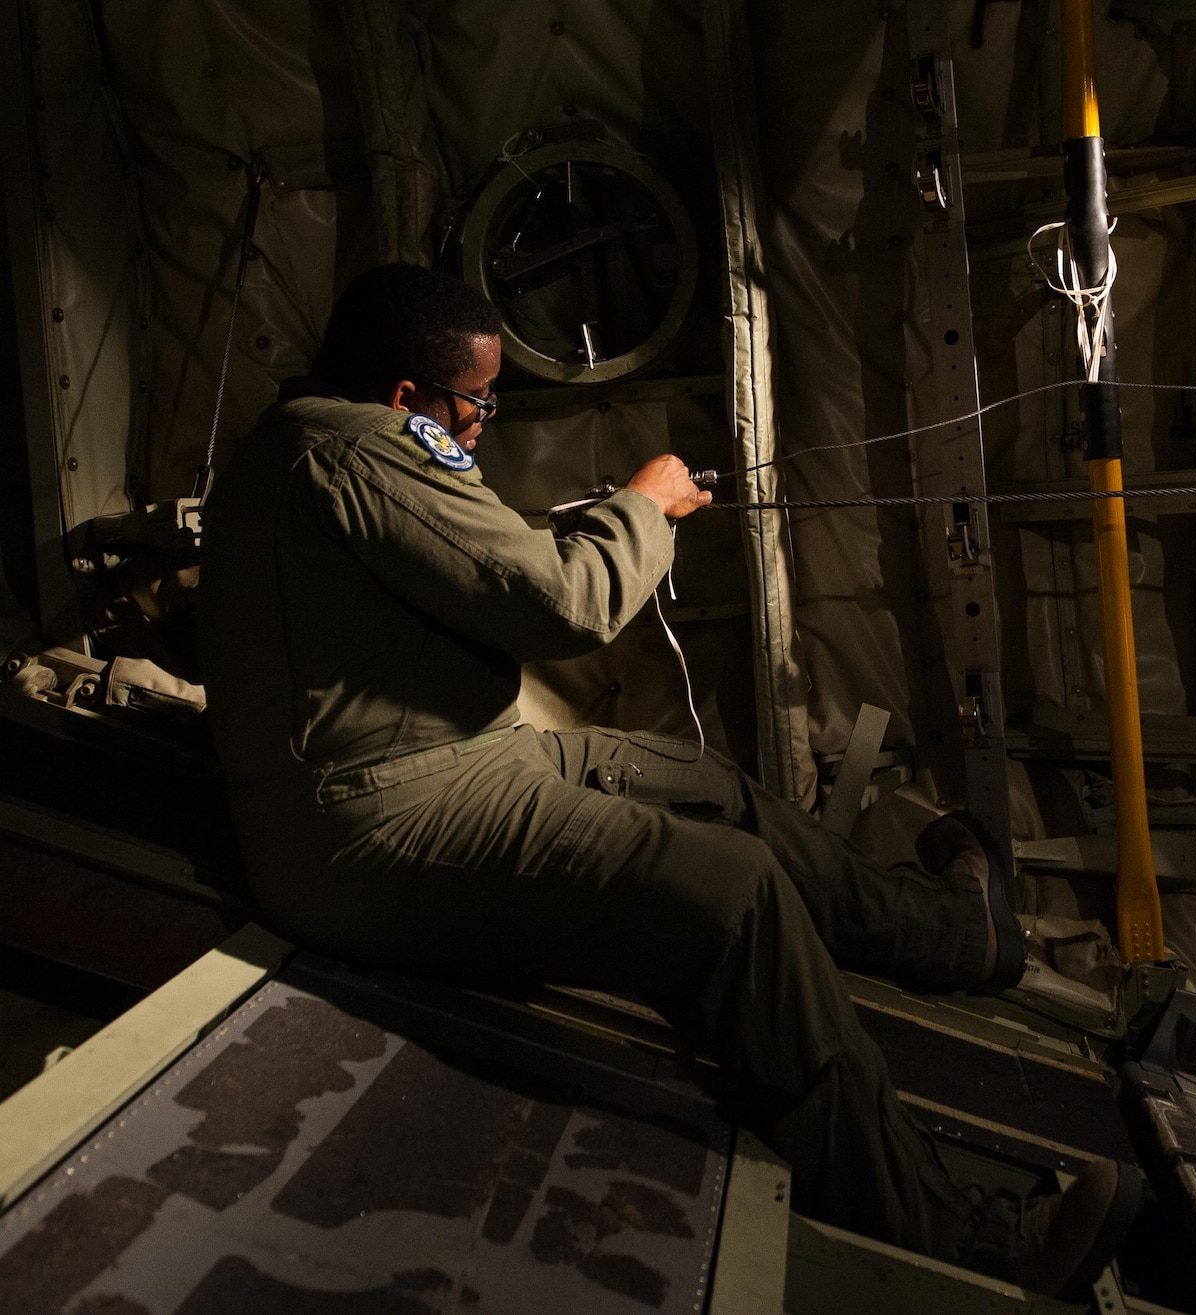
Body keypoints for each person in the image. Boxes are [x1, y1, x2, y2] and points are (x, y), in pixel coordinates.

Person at [197, 262, 1139, 1296]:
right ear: (408, 397)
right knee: (729, 898)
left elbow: (475, 567)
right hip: (375, 824)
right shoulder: (353, 449)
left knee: (697, 781)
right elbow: (561, 606)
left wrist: (606, 524)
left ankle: (958, 935)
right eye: (477, 403)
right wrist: (641, 505)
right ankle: (955, 1235)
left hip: (457, 758)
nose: (483, 424)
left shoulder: (328, 442)